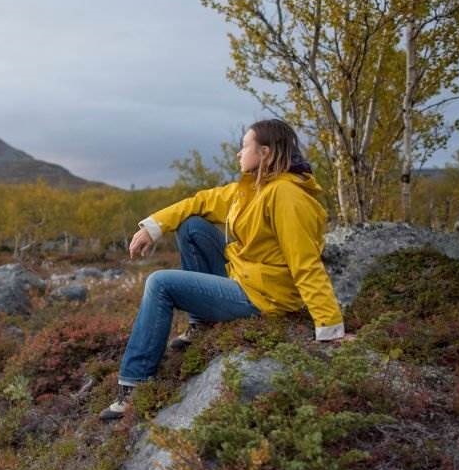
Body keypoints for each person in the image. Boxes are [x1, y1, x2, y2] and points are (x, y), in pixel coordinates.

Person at [99, 118, 354, 421]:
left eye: (245, 146)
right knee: (191, 225)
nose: (239, 153)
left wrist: (330, 328)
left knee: (160, 283)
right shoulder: (250, 189)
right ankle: (201, 324)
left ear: (266, 153)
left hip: (264, 297)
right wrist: (153, 228)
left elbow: (306, 263)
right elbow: (200, 201)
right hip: (243, 279)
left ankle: (133, 387)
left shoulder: (287, 196)